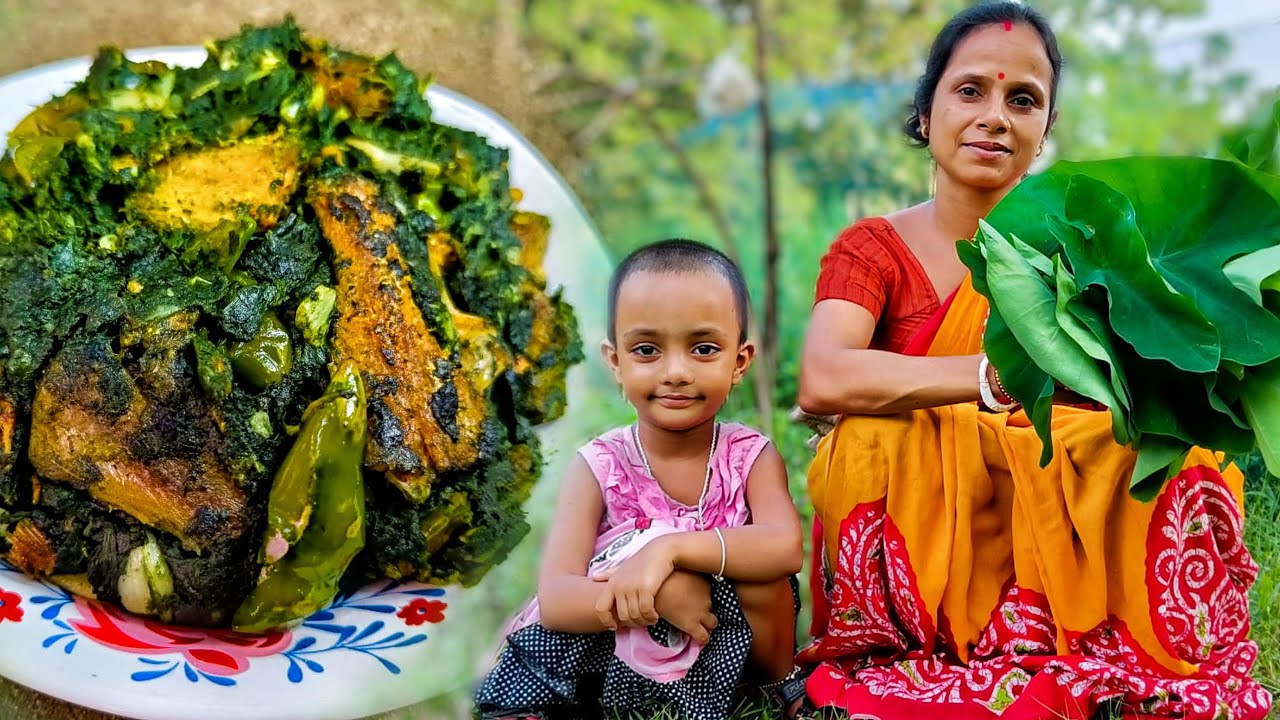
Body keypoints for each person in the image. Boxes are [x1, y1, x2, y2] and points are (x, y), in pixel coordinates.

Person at [794, 2, 1271, 719]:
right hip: (937, 499)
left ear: (1043, 132)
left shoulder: (1083, 248)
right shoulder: (874, 249)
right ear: (925, 116)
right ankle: (927, 642)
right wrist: (988, 381)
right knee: (865, 440)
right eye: (970, 90)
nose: (995, 115)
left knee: (1176, 454)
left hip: (1054, 474)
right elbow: (825, 378)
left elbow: (1119, 397)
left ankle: (1127, 649)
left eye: (1023, 100)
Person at [475, 239, 808, 720]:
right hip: (621, 653)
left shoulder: (749, 456)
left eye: (704, 349)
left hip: (722, 641)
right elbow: (557, 599)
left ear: (739, 361)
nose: (675, 372)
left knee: (764, 578)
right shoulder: (600, 465)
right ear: (616, 362)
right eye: (647, 350)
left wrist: (668, 551)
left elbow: (783, 549)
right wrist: (655, 595)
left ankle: (776, 691)